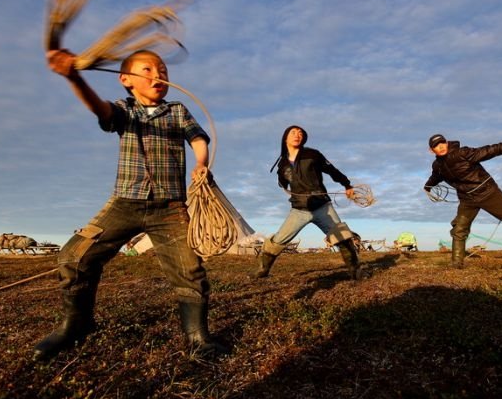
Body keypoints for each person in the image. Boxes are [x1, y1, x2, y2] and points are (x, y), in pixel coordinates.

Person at [34, 49, 225, 360]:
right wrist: (74, 76)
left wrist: (201, 163)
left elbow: (198, 138)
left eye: (162, 69)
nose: (157, 75)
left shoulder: (177, 110)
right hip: (124, 203)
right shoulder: (124, 110)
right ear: (125, 79)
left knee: (189, 270)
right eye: (147, 69)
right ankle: (76, 325)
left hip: (170, 207)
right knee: (74, 256)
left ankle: (197, 337)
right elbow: (101, 110)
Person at [423, 134, 502, 268]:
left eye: (442, 143)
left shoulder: (463, 153)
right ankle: (456, 262)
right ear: (431, 150)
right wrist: (427, 186)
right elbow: (435, 177)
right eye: (436, 145)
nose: (441, 146)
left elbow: (493, 149)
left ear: (447, 143)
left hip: (488, 194)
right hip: (467, 200)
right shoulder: (437, 165)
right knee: (459, 228)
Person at [252, 125, 362, 280]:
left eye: (301, 133)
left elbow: (332, 170)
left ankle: (355, 271)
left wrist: (346, 184)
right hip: (299, 209)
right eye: (293, 132)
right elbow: (282, 182)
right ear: (285, 138)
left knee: (342, 237)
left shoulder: (313, 154)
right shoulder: (282, 163)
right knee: (278, 240)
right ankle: (263, 270)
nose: (298, 135)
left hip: (322, 206)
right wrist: (281, 178)